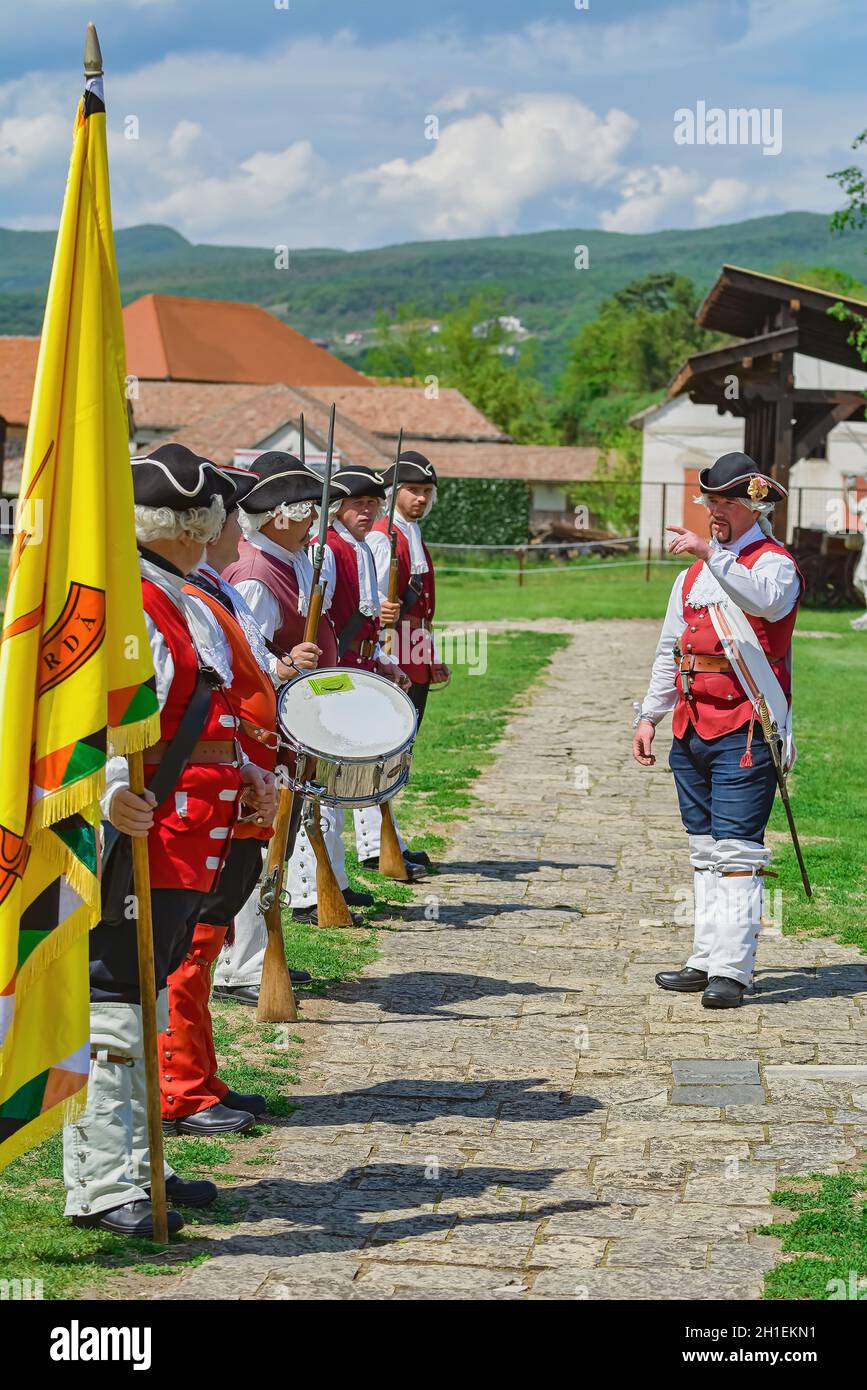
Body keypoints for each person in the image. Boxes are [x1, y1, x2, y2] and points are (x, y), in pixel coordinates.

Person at [62, 444, 277, 1237]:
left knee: (146, 1000)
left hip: (191, 829)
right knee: (114, 1003)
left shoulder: (180, 596)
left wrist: (250, 770)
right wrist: (112, 791)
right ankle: (101, 1183)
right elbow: (101, 721)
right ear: (198, 524)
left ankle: (144, 1158)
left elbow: (206, 714)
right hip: (145, 829)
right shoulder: (135, 607)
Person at [632, 452, 802, 1009]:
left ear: (753, 507)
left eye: (725, 503)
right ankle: (705, 959)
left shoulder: (774, 564)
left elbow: (765, 602)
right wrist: (648, 715)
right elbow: (669, 650)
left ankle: (733, 969)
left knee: (736, 853)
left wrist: (712, 555)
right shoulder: (692, 578)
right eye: (711, 503)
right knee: (704, 851)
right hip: (691, 726)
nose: (714, 513)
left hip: (745, 726)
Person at [220, 452, 364, 927]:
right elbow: (240, 659)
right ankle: (249, 958)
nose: (313, 523)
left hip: (300, 717)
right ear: (279, 516)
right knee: (264, 839)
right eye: (305, 511)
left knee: (288, 827)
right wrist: (282, 668)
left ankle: (261, 945)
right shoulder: (257, 574)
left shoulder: (294, 559)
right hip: (272, 727)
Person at [359, 451, 449, 875]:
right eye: (414, 491)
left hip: (414, 649)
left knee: (400, 750)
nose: (420, 499)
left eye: (427, 492)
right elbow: (373, 601)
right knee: (382, 749)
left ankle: (386, 836)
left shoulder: (410, 532)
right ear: (395, 493)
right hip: (392, 651)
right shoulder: (383, 536)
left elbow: (420, 607)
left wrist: (430, 658)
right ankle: (374, 843)